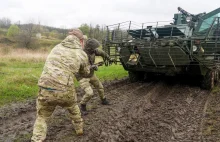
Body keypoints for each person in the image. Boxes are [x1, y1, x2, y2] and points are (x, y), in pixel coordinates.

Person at [31, 29, 94, 142]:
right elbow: (85, 73)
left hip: (45, 88)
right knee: (73, 108)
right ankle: (79, 129)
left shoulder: (56, 47)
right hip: (64, 90)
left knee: (42, 117)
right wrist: (92, 68)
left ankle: (37, 139)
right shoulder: (81, 53)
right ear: (80, 41)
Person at [79, 38, 116, 112]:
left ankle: (103, 100)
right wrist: (91, 66)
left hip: (91, 74)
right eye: (94, 47)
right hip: (82, 77)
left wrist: (109, 58)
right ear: (90, 47)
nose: (96, 49)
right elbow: (79, 67)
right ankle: (82, 105)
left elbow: (102, 53)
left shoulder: (94, 51)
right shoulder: (81, 55)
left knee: (100, 87)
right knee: (89, 93)